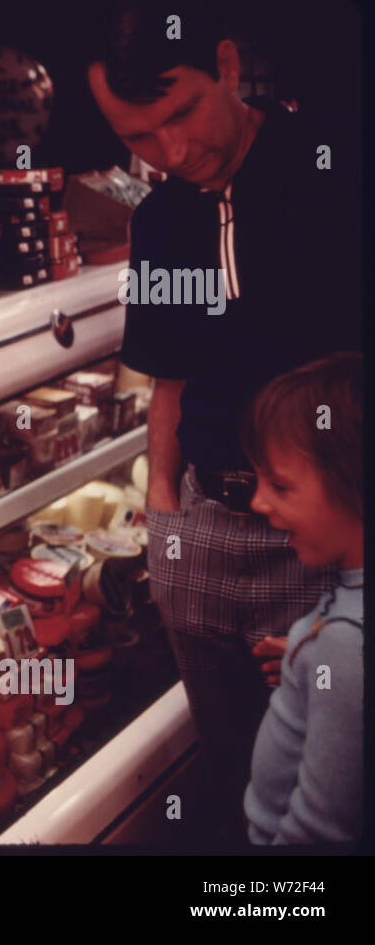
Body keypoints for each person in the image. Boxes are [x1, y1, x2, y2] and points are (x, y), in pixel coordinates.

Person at [86, 1, 359, 839]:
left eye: (181, 113)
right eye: (138, 138)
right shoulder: (161, 221)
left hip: (326, 536)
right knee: (238, 762)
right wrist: (166, 523)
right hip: (204, 526)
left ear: (230, 68)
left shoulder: (338, 173)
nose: (172, 152)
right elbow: (168, 383)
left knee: (329, 784)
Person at [240, 352, 362, 844]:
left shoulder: (348, 646)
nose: (257, 501)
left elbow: (319, 832)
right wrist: (303, 651)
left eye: (280, 485)